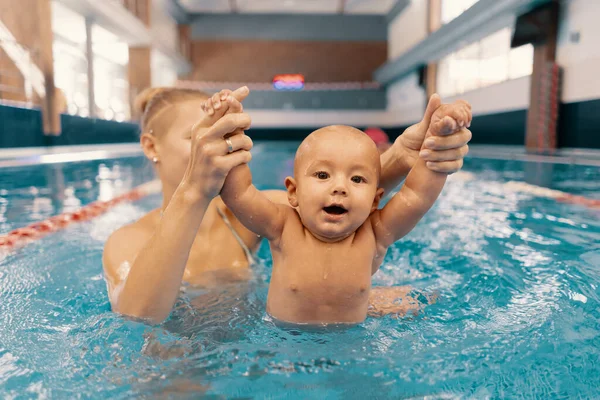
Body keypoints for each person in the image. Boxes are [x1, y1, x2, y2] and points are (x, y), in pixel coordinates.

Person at [102, 86, 472, 324]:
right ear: (152, 147)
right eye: (201, 137)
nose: (219, 148)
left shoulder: (246, 218)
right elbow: (137, 318)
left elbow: (338, 208)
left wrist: (403, 157)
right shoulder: (128, 241)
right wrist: (194, 189)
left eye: (225, 136)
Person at [217, 95, 472, 325]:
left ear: (375, 200)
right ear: (293, 193)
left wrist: (438, 146)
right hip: (286, 345)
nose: (340, 187)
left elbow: (416, 195)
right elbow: (239, 193)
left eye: (357, 179)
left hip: (352, 349)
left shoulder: (376, 233)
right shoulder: (282, 226)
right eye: (322, 174)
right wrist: (228, 131)